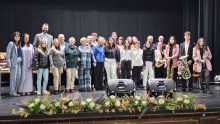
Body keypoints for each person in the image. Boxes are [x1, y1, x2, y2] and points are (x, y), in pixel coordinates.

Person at [6, 31, 22, 96]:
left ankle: (15, 91)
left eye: (18, 36)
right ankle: (12, 91)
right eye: (16, 36)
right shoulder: (11, 43)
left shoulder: (19, 44)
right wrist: (9, 63)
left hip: (19, 63)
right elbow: (8, 53)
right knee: (13, 78)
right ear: (13, 37)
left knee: (18, 77)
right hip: (13, 63)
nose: (17, 37)